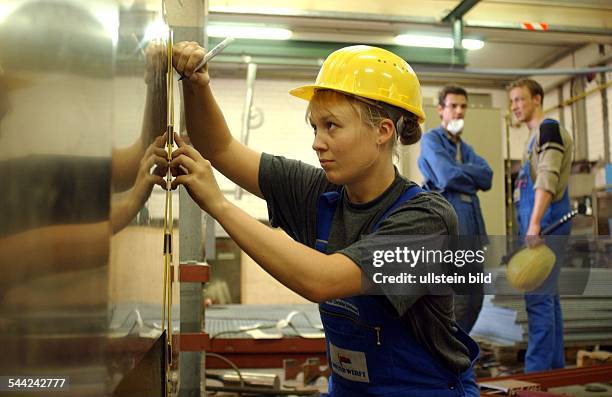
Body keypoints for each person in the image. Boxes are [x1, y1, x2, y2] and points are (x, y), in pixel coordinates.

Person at [171, 43, 479, 396]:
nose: (318, 142)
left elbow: (322, 280)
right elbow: (221, 148)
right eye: (315, 127)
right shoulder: (318, 193)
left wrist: (219, 205)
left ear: (383, 131)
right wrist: (196, 85)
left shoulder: (426, 220)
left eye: (331, 126)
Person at [508, 78, 573, 373]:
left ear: (537, 98)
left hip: (546, 223)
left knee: (537, 299)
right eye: (512, 102)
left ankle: (537, 374)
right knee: (548, 298)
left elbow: (547, 176)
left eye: (520, 99)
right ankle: (553, 371)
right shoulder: (533, 136)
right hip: (539, 222)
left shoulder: (548, 129)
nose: (515, 106)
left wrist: (534, 223)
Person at [417, 86, 493, 334]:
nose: (459, 111)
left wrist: (461, 170)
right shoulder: (431, 140)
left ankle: (458, 354)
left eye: (463, 106)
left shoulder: (465, 148)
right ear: (440, 110)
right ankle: (446, 360)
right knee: (455, 302)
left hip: (472, 236)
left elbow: (488, 177)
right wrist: (467, 174)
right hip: (448, 236)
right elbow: (446, 176)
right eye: (453, 106)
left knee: (475, 300)